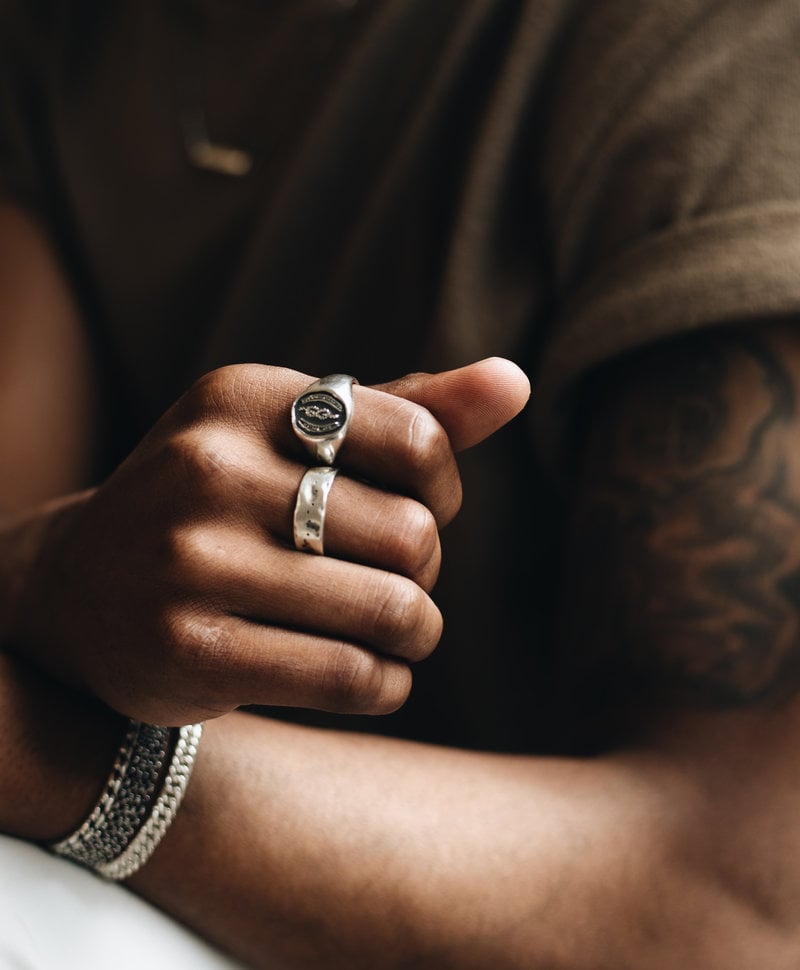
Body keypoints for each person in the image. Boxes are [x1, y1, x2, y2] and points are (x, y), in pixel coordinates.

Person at [3, 0, 800, 966]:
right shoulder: (65, 43)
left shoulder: (715, 46)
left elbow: (740, 907)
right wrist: (44, 567)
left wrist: (52, 756)